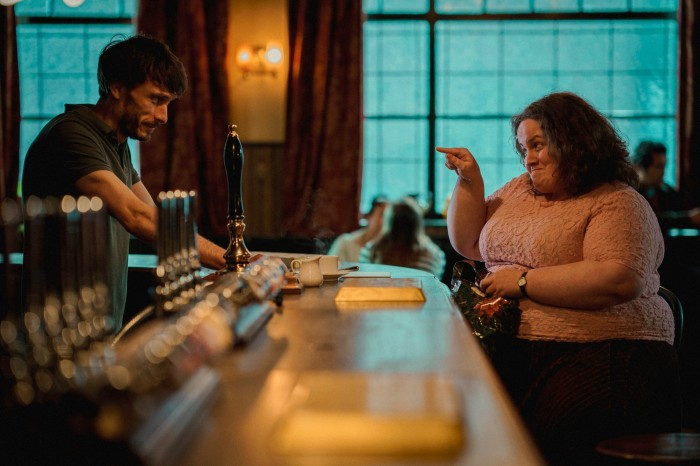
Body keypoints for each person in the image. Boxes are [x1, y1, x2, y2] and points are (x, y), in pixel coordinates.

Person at [438, 92, 681, 465]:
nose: (529, 158)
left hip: (603, 352)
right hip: (514, 344)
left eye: (537, 145)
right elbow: (469, 243)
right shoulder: (519, 190)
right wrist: (470, 181)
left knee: (542, 442)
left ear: (574, 142)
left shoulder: (617, 201)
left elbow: (619, 278)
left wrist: (522, 283)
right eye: (523, 148)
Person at [21, 34, 226, 331]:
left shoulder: (116, 143)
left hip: (100, 329)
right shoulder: (71, 135)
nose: (164, 116)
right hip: (60, 335)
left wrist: (203, 270)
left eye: (167, 103)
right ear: (116, 87)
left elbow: (158, 217)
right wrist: (228, 259)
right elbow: (137, 216)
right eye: (155, 99)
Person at [359, 196, 445, 277]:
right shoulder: (434, 255)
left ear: (388, 223)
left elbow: (366, 282)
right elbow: (433, 286)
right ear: (417, 223)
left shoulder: (370, 252)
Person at [632, 140, 700, 232]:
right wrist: (688, 219)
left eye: (664, 167)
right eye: (658, 167)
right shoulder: (630, 194)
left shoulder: (665, 190)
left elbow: (682, 209)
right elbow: (647, 220)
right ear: (639, 167)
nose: (663, 172)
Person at [327, 196, 388, 262]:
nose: (386, 220)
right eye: (382, 215)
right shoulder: (345, 242)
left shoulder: (387, 249)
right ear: (368, 217)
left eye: (389, 216)